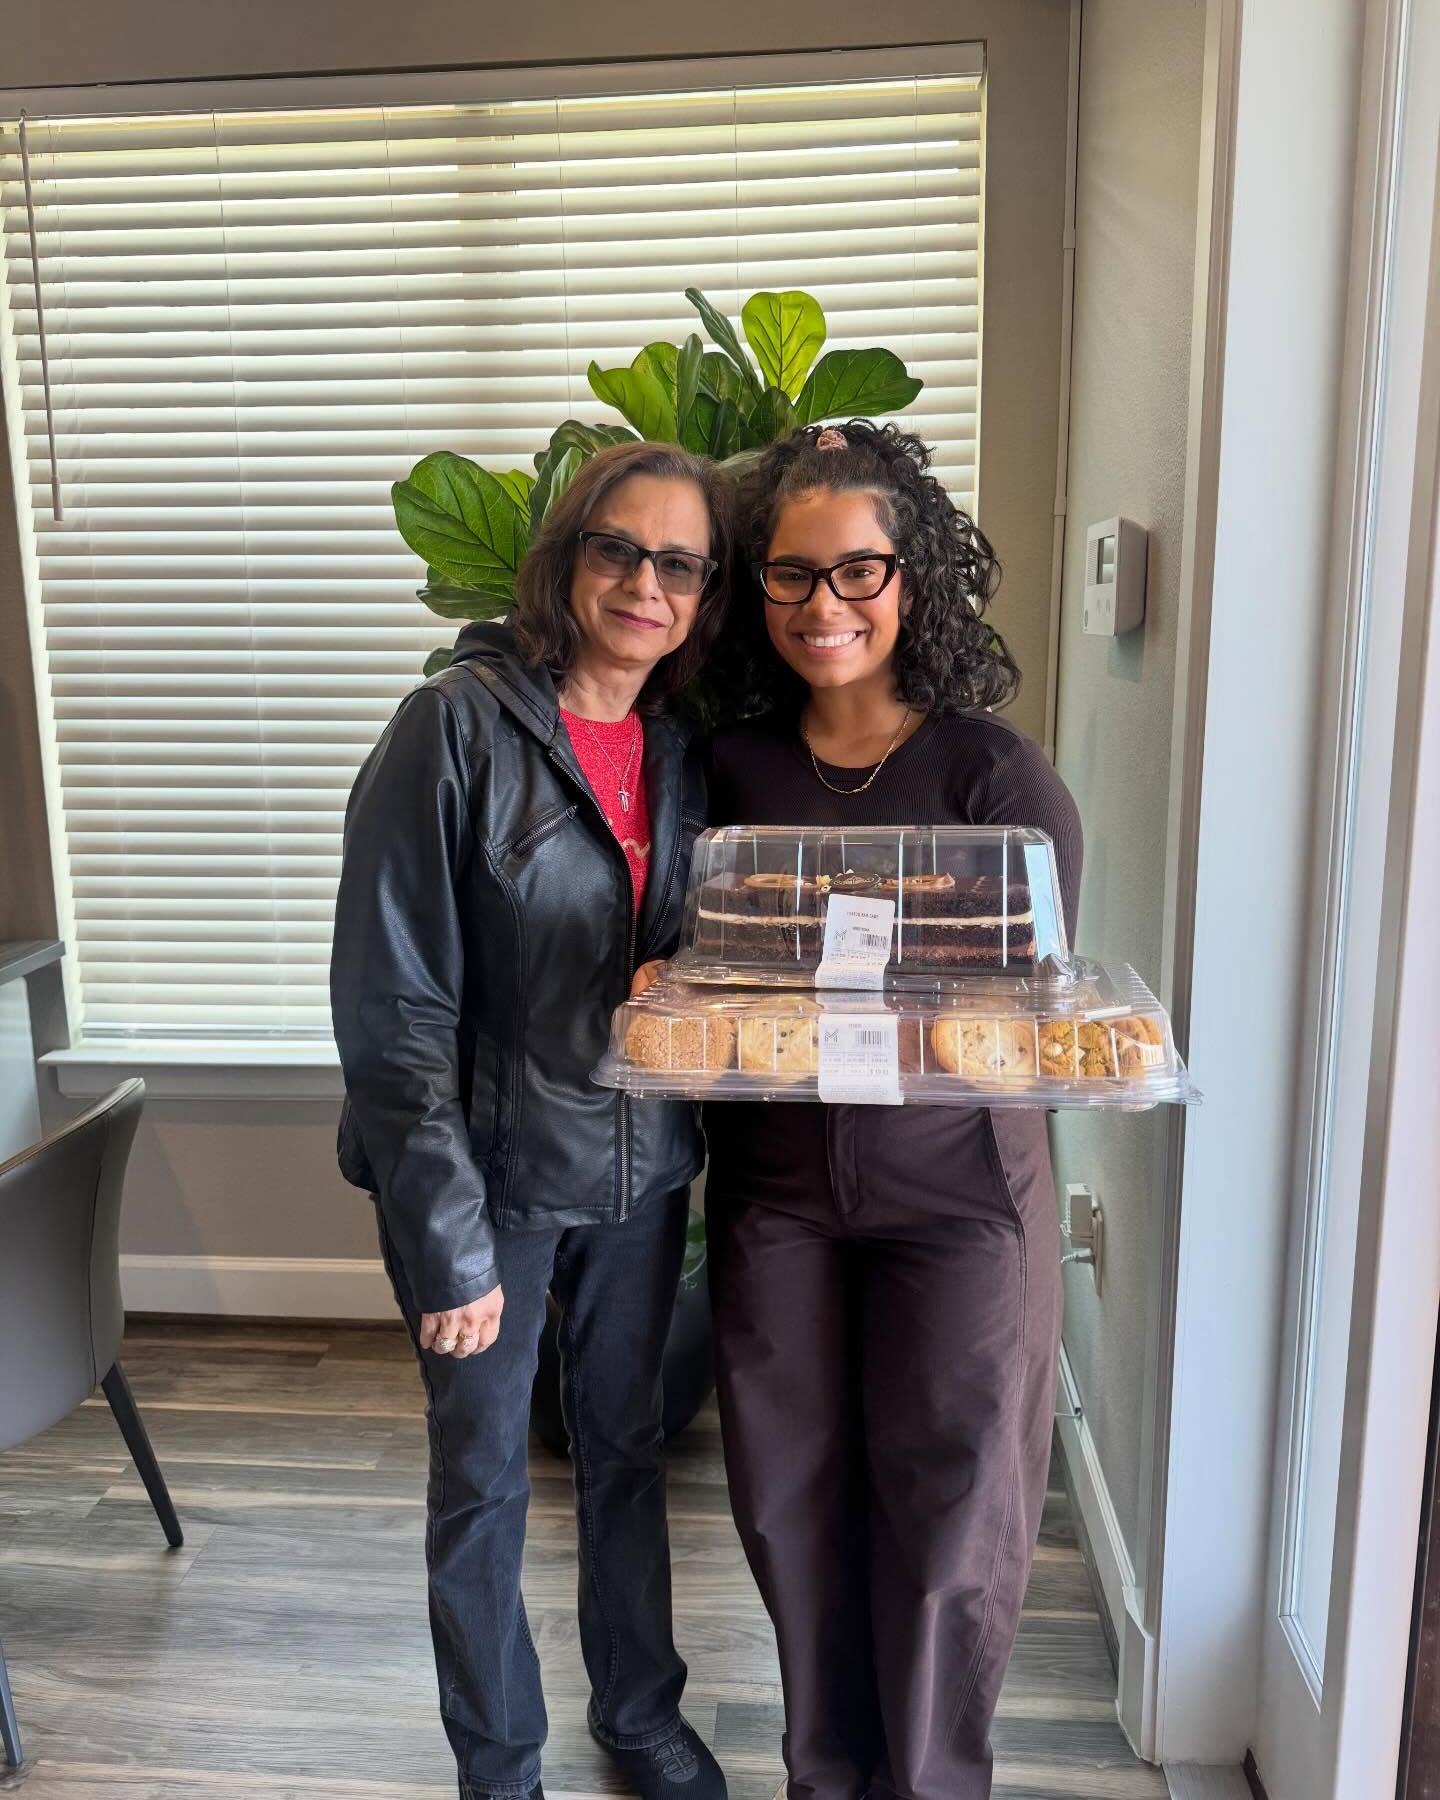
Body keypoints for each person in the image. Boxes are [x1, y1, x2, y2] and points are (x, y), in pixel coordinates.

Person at [330, 442, 732, 1800]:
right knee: (485, 1483)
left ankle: (640, 1714)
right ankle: (499, 1770)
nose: (646, 583)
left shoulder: (682, 751)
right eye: (620, 547)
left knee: (626, 1455)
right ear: (565, 557)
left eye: (680, 564)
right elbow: (393, 1008)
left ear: (703, 596)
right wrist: (447, 1246)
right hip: (488, 1184)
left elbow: (678, 945)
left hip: (640, 1170)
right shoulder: (450, 729)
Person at [702, 421, 1082, 1800]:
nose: (825, 606)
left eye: (857, 570)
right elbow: (689, 964)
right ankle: (824, 1779)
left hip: (958, 1191)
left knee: (952, 1513)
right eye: (791, 575)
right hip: (777, 1191)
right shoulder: (726, 769)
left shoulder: (993, 776)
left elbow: (1038, 1005)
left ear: (912, 576)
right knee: (788, 1503)